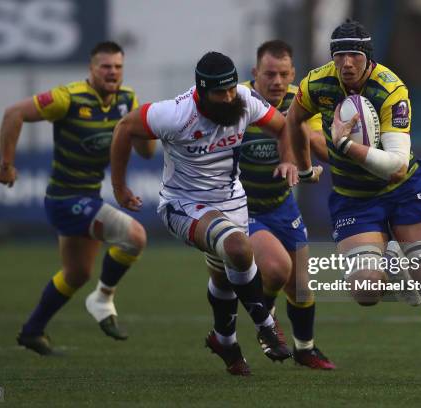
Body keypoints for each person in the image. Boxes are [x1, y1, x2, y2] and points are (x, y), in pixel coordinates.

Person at [286, 20, 421, 386]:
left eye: (354, 54)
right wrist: (304, 170)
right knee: (366, 291)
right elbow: (294, 120)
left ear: (367, 57)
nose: (346, 63)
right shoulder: (316, 84)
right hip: (355, 199)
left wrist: (347, 145)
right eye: (339, 55)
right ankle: (391, 260)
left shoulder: (391, 90)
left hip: (404, 191)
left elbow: (397, 168)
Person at [110, 51, 295, 373]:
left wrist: (289, 159)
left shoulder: (244, 100)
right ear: (200, 90)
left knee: (224, 277)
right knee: (237, 247)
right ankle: (266, 323)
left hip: (232, 201)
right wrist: (119, 187)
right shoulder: (175, 114)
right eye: (218, 92)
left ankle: (224, 341)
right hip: (183, 204)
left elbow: (284, 127)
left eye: (230, 89)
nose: (227, 98)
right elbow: (125, 127)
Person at [0, 41, 155, 355]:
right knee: (134, 236)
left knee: (77, 273)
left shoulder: (127, 99)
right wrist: (6, 165)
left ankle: (32, 331)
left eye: (118, 67)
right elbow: (13, 113)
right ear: (91, 69)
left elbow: (147, 153)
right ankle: (104, 298)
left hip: (88, 197)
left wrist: (146, 131)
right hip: (65, 200)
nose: (112, 72)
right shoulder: (67, 97)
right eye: (105, 66)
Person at [202, 39, 335, 372]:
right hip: (241, 208)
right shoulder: (237, 101)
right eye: (269, 74)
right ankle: (266, 320)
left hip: (281, 205)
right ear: (254, 74)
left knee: (301, 286)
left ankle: (305, 349)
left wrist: (298, 122)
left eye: (284, 74)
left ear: (293, 74)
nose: (277, 81)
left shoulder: (300, 102)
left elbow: (321, 149)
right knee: (275, 269)